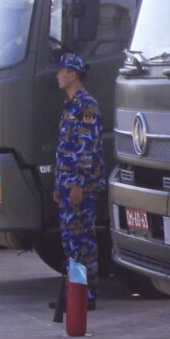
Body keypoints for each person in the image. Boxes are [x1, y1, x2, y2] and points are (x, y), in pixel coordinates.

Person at [51, 51, 107, 322]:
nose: (58, 75)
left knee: (82, 240)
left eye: (61, 71)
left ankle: (87, 295)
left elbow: (87, 149)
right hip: (66, 184)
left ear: (72, 74)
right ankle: (73, 294)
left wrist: (78, 185)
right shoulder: (68, 105)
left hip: (79, 187)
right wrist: (58, 184)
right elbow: (63, 149)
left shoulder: (87, 106)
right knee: (70, 241)